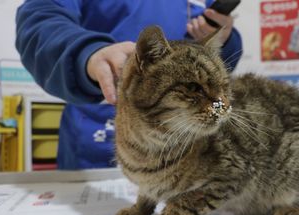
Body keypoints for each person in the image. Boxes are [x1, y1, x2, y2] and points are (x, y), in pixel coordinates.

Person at [15, 0, 243, 169]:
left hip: (186, 141)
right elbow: (40, 16)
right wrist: (85, 52)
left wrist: (225, 38)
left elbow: (213, 73)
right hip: (97, 133)